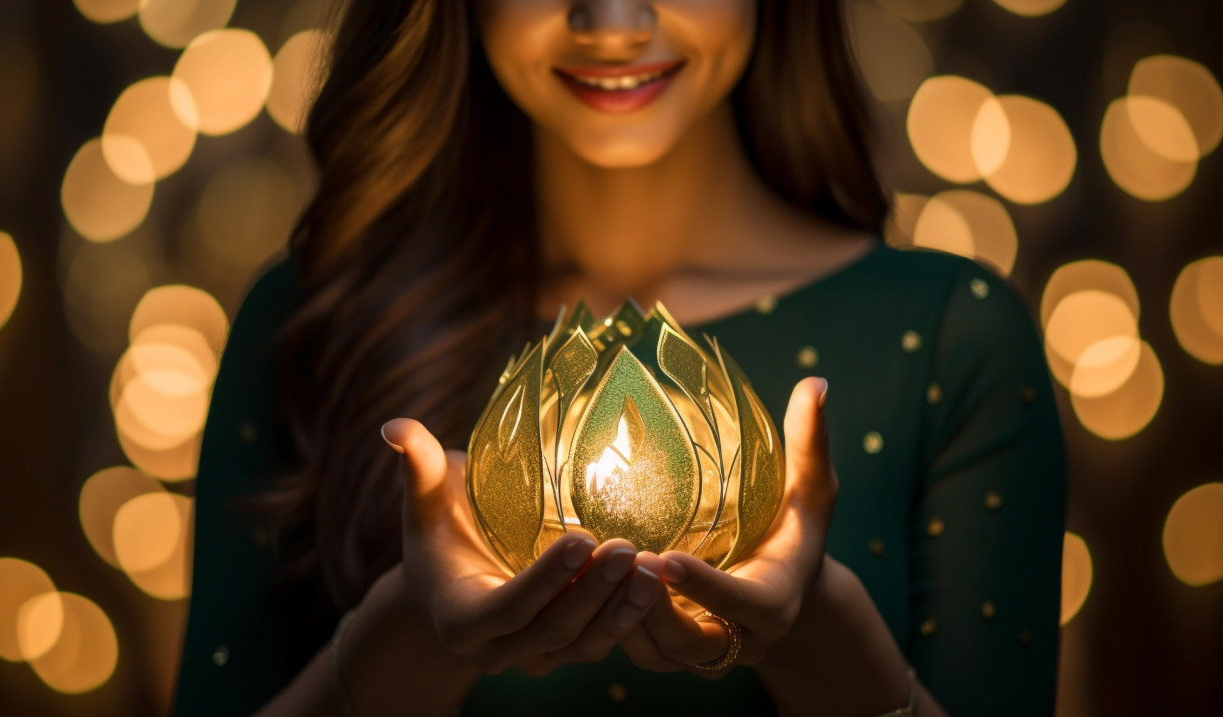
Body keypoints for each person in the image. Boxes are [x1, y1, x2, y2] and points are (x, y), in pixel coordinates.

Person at [172, 1, 1067, 715]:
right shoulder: (314, 320)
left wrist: (820, 635)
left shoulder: (951, 336)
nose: (611, 23)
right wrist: (405, 633)